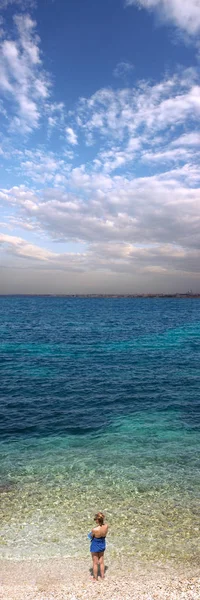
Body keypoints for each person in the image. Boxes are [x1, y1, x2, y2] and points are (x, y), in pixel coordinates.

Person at [89, 511, 108, 581]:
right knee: (102, 562)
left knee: (95, 563)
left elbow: (91, 536)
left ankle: (95, 578)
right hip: (102, 543)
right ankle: (102, 576)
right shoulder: (106, 526)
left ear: (97, 520)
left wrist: (91, 534)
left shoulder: (94, 530)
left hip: (95, 544)